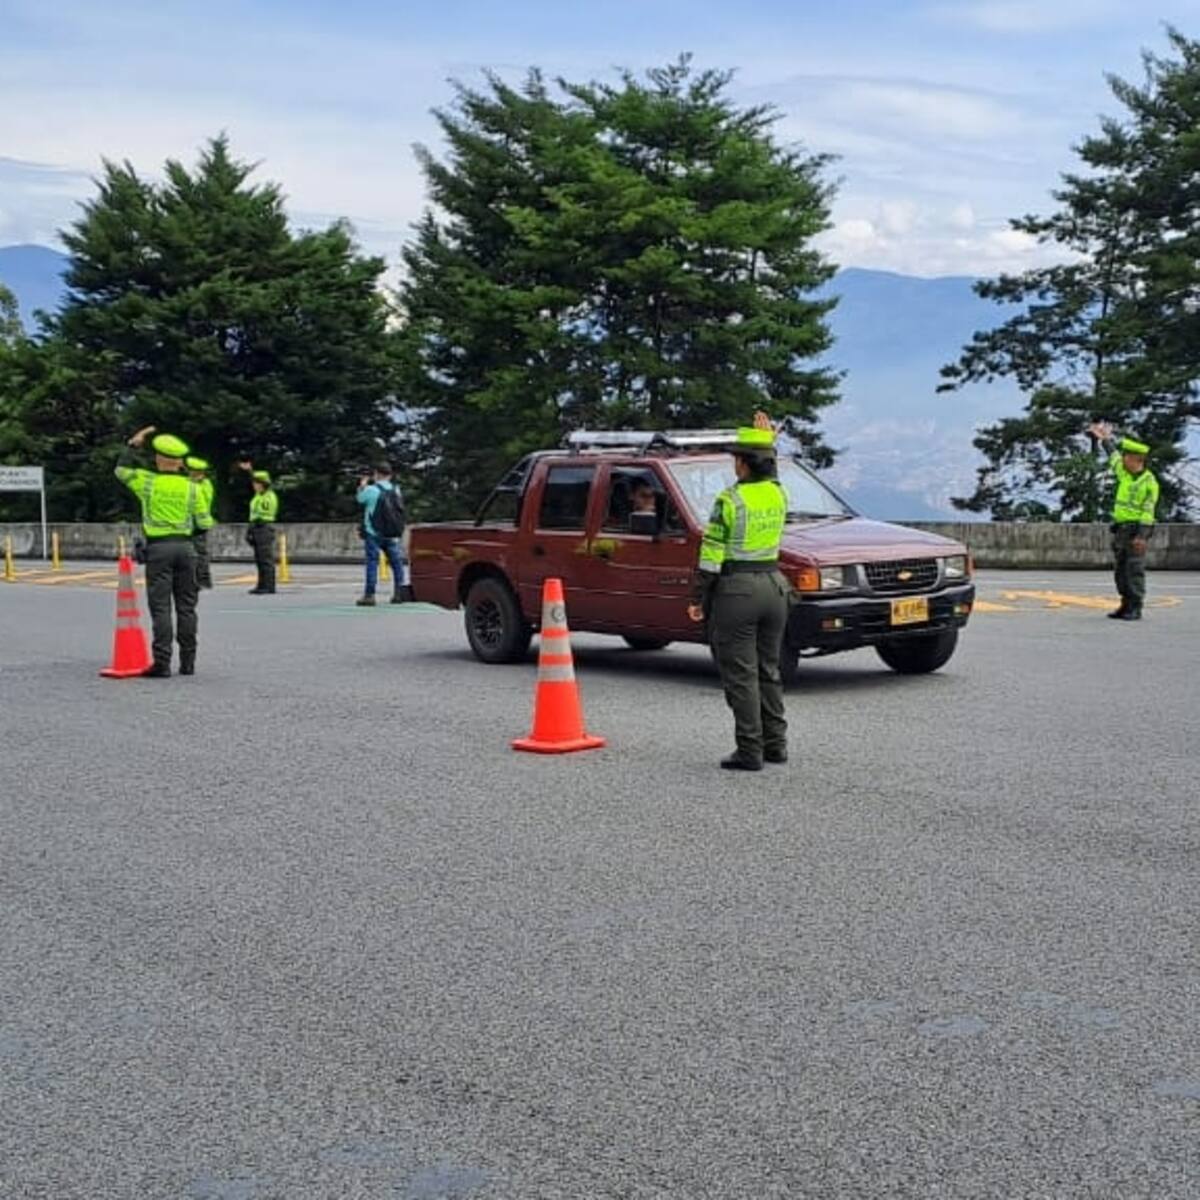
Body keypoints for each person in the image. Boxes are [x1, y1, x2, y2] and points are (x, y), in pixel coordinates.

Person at [687, 420, 789, 770]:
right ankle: (776, 745)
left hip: (738, 592)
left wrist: (698, 598)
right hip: (775, 586)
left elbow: (711, 554)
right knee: (768, 670)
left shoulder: (729, 500)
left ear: (743, 464)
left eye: (736, 459)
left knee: (741, 674)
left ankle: (749, 750)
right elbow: (771, 469)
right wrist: (767, 441)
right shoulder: (778, 493)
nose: (734, 464)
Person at [114, 425, 212, 677]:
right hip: (187, 549)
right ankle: (188, 663)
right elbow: (204, 523)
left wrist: (133, 444)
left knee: (161, 608)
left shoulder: (148, 482)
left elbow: (121, 471)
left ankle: (162, 663)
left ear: (158, 458)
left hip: (158, 549)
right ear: (180, 462)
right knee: (187, 607)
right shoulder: (193, 488)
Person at [1089, 422, 1160, 620]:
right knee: (1120, 571)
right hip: (1120, 530)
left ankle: (1135, 607)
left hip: (1135, 531)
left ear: (1137, 460)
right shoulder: (1125, 474)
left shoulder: (1149, 483)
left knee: (1134, 570)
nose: (1123, 460)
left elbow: (1148, 512)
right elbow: (1112, 456)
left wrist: (1142, 536)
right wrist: (1104, 438)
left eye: (1127, 457)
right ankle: (1125, 604)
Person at [355, 462, 411, 606]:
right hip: (392, 533)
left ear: (377, 474)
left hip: (373, 532)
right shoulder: (396, 489)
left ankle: (369, 595)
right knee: (396, 563)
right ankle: (399, 593)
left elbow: (360, 500)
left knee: (372, 563)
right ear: (390, 475)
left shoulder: (371, 490)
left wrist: (362, 485)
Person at [237, 461, 279, 594]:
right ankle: (261, 585)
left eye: (257, 483)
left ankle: (269, 586)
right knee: (260, 559)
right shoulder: (259, 495)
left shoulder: (268, 496)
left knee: (265, 559)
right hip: (257, 527)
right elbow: (256, 478)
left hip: (263, 527)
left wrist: (253, 527)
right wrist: (250, 471)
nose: (254, 486)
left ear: (263, 484)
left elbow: (261, 515)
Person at [186, 456, 215, 589]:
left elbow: (200, 501)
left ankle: (203, 580)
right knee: (193, 553)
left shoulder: (204, 485)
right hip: (192, 523)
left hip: (199, 524)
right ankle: (195, 580)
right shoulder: (195, 484)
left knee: (200, 553)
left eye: (192, 471)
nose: (190, 474)